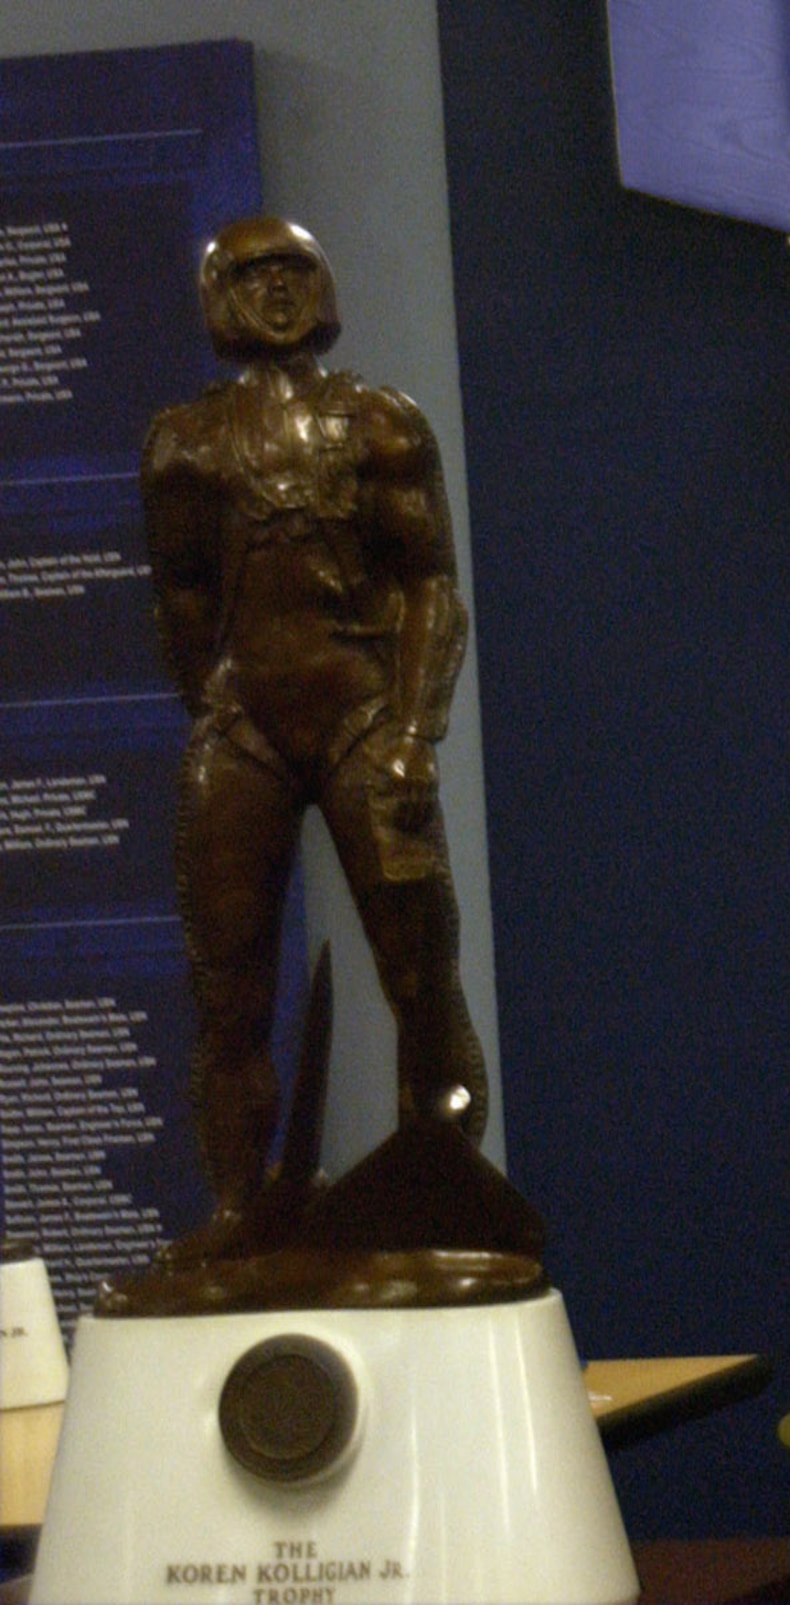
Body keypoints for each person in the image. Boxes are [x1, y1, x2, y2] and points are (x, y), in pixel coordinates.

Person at [140, 216, 486, 1263]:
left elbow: (433, 584)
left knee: (420, 967)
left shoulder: (380, 423)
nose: (277, 292)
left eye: (294, 270)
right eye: (252, 275)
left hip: (360, 716)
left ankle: (441, 1189)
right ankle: (242, 1207)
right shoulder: (183, 445)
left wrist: (411, 733)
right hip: (246, 723)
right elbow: (181, 600)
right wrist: (220, 710)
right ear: (216, 297)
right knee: (226, 981)